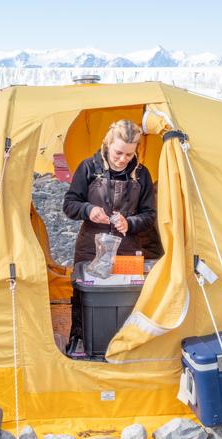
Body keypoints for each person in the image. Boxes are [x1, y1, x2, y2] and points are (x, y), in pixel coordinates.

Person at [63, 119, 157, 355]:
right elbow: (69, 205)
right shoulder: (88, 168)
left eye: (129, 154)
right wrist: (88, 210)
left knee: (125, 297)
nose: (123, 159)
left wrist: (130, 222)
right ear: (107, 144)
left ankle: (124, 347)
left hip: (128, 247)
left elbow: (149, 215)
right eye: (118, 152)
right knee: (85, 297)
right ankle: (83, 342)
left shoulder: (141, 175)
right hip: (90, 247)